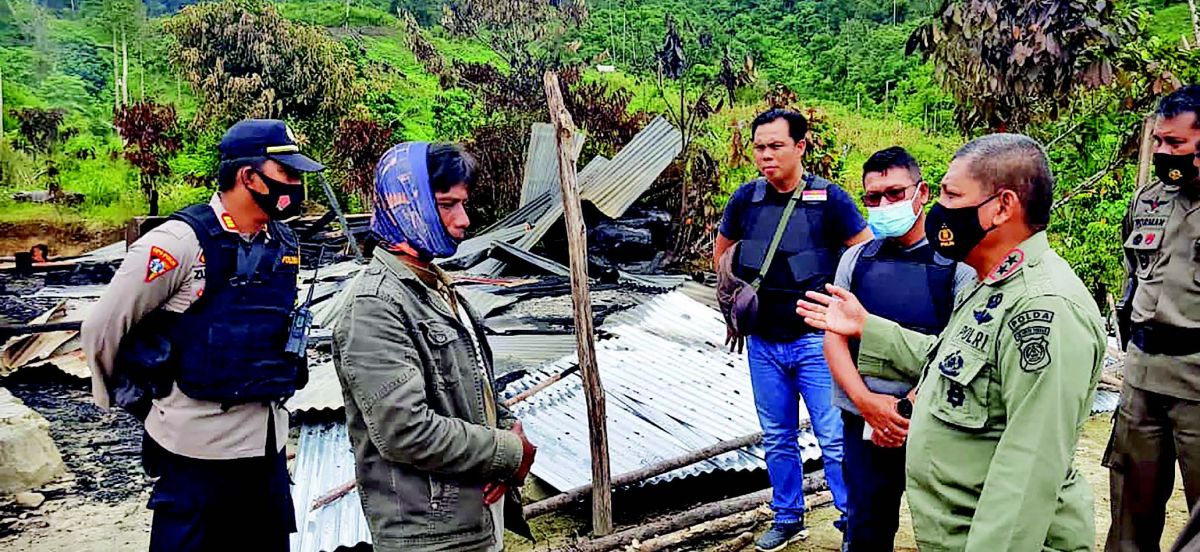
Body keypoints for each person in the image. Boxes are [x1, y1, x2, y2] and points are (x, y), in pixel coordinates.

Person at [798, 133, 1105, 551]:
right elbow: (952, 363)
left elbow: (1029, 470)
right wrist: (868, 328)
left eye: (950, 194)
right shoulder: (993, 283)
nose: (940, 209)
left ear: (1002, 207)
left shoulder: (1045, 308)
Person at [81, 119, 323, 551]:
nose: (296, 186)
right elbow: (103, 327)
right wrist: (134, 400)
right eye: (287, 174)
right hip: (194, 452)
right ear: (249, 176)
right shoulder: (179, 243)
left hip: (264, 451)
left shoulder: (283, 244)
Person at [332, 142, 537, 552]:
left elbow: (473, 383)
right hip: (429, 534)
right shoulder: (375, 307)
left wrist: (504, 428)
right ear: (406, 204)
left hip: (469, 517)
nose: (463, 220)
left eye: (463, 203)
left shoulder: (434, 285)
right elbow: (404, 430)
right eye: (447, 204)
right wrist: (506, 451)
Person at [714, 108, 871, 551]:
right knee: (777, 437)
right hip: (762, 342)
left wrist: (842, 310)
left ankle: (850, 524)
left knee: (834, 438)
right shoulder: (746, 200)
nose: (765, 155)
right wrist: (738, 299)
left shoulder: (831, 200)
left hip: (816, 342)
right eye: (759, 147)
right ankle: (788, 516)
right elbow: (722, 255)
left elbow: (864, 253)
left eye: (776, 146)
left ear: (800, 147)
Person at [826, 147, 975, 551]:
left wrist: (905, 408)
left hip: (938, 423)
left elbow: (961, 350)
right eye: (872, 198)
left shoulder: (959, 266)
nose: (883, 205)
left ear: (922, 192)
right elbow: (834, 337)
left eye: (894, 193)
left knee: (946, 531)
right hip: (864, 424)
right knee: (865, 528)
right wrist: (867, 403)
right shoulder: (855, 260)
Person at [1107, 84, 1200, 552]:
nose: (1163, 153)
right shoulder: (1148, 200)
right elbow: (1132, 284)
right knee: (1129, 515)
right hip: (1141, 381)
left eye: (1175, 144)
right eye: (1158, 142)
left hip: (1198, 386)